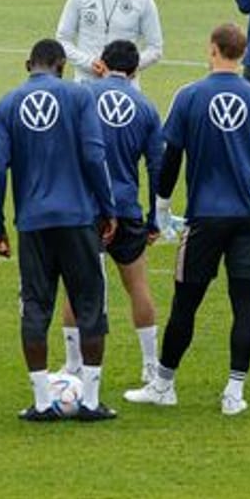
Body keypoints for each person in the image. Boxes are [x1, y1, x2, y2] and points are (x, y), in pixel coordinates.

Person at [124, 24, 250, 415]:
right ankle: (235, 391)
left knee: (186, 302)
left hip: (205, 217)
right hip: (249, 215)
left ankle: (164, 384)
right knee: (243, 303)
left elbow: (171, 156)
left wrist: (161, 207)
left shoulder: (190, 96)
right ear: (243, 53)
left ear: (212, 49)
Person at [0, 39, 117, 421]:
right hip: (78, 218)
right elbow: (95, 155)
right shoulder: (79, 97)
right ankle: (91, 401)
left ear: (29, 64)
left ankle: (43, 402)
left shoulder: (7, 104)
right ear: (61, 65)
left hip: (33, 223)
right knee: (90, 304)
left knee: (36, 307)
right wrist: (107, 208)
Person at [59, 40, 162, 385]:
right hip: (126, 205)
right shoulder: (146, 107)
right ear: (134, 70)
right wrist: (154, 217)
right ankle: (150, 365)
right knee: (138, 286)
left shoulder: (82, 97)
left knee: (77, 285)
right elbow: (156, 167)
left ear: (101, 63)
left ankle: (73, 364)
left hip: (85, 207)